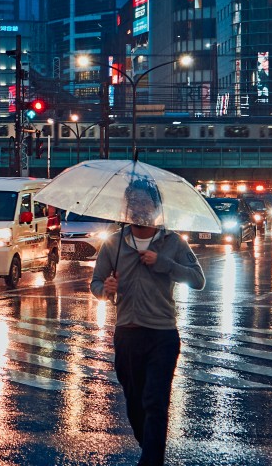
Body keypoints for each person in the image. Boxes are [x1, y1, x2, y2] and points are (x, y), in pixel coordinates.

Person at [90, 177, 205, 466]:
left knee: (155, 401)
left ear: (156, 207)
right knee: (134, 402)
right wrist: (106, 289)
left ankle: (152, 461)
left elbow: (197, 279)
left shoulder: (173, 242)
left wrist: (163, 263)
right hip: (127, 333)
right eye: (134, 202)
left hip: (162, 334)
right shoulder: (114, 245)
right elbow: (95, 283)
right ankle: (149, 451)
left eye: (145, 202)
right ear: (126, 207)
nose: (139, 207)